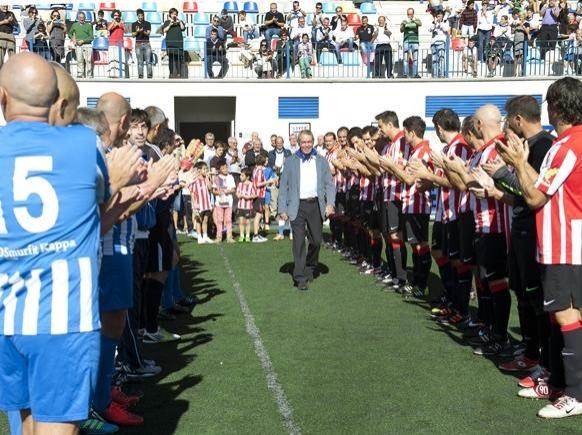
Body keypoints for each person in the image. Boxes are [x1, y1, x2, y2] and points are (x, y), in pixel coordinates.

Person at [0, 52, 108, 435]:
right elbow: (99, 200)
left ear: (3, 97)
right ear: (58, 102)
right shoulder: (85, 145)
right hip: (63, 319)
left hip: (7, 317)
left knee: (24, 427)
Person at [495, 77, 582, 418]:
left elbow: (533, 197)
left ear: (554, 107)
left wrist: (517, 162)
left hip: (564, 244)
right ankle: (562, 383)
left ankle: (574, 394)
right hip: (572, 241)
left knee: (566, 317)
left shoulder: (565, 146)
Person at [278, 130, 336, 291]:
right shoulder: (290, 161)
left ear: (313, 142)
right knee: (298, 242)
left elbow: (329, 184)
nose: (306, 145)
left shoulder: (321, 160)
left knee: (316, 241)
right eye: (303, 142)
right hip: (296, 206)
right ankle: (299, 277)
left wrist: (330, 203)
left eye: (309, 141)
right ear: (298, 142)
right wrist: (282, 208)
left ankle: (310, 266)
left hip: (316, 206)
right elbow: (283, 187)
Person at [212, 162, 236, 242]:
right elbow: (214, 190)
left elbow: (233, 189)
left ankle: (229, 236)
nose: (225, 169)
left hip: (229, 202)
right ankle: (219, 236)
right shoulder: (216, 178)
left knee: (228, 219)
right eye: (223, 168)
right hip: (219, 202)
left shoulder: (230, 177)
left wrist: (228, 191)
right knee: (219, 220)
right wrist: (218, 192)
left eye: (226, 167)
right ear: (219, 170)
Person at [191, 161, 214, 244]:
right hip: (199, 204)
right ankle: (199, 237)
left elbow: (210, 188)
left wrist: (208, 179)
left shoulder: (206, 179)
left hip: (206, 203)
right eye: (204, 169)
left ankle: (205, 236)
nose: (206, 170)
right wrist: (194, 205)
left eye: (206, 169)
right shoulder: (195, 181)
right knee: (198, 220)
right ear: (199, 170)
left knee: (205, 220)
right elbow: (192, 193)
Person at [161, 8, 186, 78]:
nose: (174, 15)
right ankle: (171, 74)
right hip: (170, 43)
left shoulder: (179, 21)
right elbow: (164, 30)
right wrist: (170, 24)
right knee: (171, 59)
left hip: (178, 43)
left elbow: (183, 28)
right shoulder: (167, 22)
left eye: (175, 14)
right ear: (170, 15)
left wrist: (180, 22)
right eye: (172, 14)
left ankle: (178, 74)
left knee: (178, 59)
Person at [69, 11, 94, 78]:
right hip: (78, 45)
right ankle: (80, 74)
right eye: (80, 17)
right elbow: (69, 33)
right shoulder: (75, 25)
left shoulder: (88, 25)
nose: (81, 19)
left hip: (87, 45)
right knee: (79, 60)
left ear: (85, 18)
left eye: (83, 17)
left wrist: (83, 41)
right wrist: (73, 38)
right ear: (78, 18)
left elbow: (91, 37)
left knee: (88, 61)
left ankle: (89, 75)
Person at [400, 8, 422, 78]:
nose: (410, 15)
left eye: (411, 14)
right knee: (406, 59)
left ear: (413, 14)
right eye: (409, 14)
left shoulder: (416, 20)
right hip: (406, 41)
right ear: (407, 14)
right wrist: (404, 24)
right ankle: (405, 74)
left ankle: (415, 74)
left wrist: (413, 20)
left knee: (415, 59)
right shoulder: (404, 21)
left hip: (415, 41)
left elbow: (420, 24)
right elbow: (401, 30)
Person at [236, 168, 257, 242]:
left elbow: (255, 195)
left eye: (242, 175)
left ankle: (247, 236)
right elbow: (237, 192)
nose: (240, 177)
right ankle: (242, 235)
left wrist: (249, 197)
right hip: (240, 206)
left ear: (247, 177)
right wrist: (238, 195)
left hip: (248, 206)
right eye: (240, 175)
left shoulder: (251, 185)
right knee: (241, 221)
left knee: (247, 222)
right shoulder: (240, 184)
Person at [132, 8, 152, 79]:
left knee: (148, 61)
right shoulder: (134, 24)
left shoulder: (147, 23)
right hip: (138, 44)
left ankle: (149, 75)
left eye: (142, 16)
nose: (140, 17)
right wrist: (137, 31)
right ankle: (140, 76)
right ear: (137, 16)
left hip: (147, 44)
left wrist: (143, 31)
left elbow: (148, 33)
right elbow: (133, 35)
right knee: (140, 61)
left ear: (143, 16)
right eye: (139, 16)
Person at [107, 9, 127, 78]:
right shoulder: (110, 22)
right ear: (113, 16)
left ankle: (121, 75)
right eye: (115, 15)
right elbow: (108, 29)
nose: (116, 16)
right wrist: (114, 23)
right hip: (112, 43)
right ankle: (112, 75)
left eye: (118, 15)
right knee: (112, 60)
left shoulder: (122, 23)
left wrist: (121, 24)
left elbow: (126, 30)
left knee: (121, 60)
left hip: (120, 44)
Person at [429, 11, 450, 78]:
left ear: (442, 16)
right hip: (434, 43)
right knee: (434, 60)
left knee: (441, 58)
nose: (439, 18)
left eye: (440, 16)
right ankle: (435, 74)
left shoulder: (445, 22)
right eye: (438, 16)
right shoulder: (433, 22)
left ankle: (441, 74)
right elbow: (429, 29)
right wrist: (435, 24)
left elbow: (446, 29)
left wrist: (440, 23)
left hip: (441, 42)